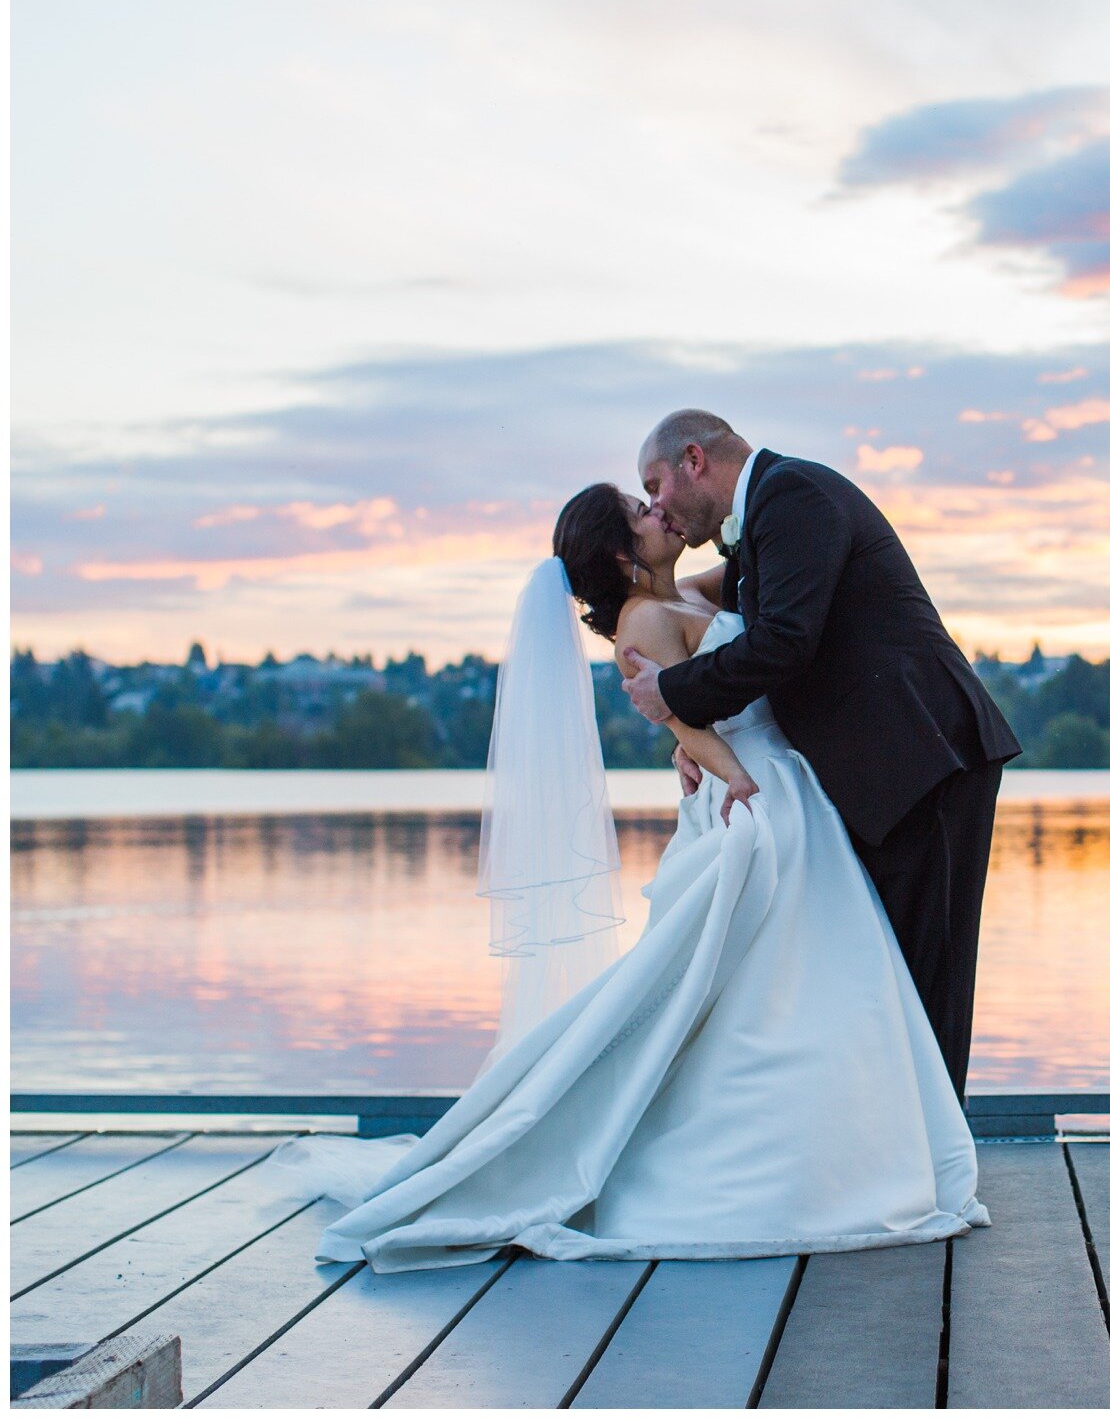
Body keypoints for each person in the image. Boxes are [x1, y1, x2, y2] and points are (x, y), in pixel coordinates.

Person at [264, 482, 987, 1273]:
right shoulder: (642, 622)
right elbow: (689, 722)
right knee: (773, 989)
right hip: (760, 800)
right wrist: (740, 785)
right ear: (619, 553)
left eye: (654, 503)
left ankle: (844, 1148)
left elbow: (757, 620)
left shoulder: (689, 591)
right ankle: (809, 1164)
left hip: (788, 790)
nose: (658, 514)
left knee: (800, 987)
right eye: (641, 514)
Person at [621, 409, 1021, 1101]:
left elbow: (783, 642)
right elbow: (688, 607)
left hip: (927, 757)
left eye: (655, 484)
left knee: (930, 971)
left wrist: (674, 693)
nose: (658, 506)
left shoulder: (792, 496)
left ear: (694, 459)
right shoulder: (761, 525)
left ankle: (939, 1165)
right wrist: (690, 734)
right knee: (885, 972)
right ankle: (900, 1150)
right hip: (881, 773)